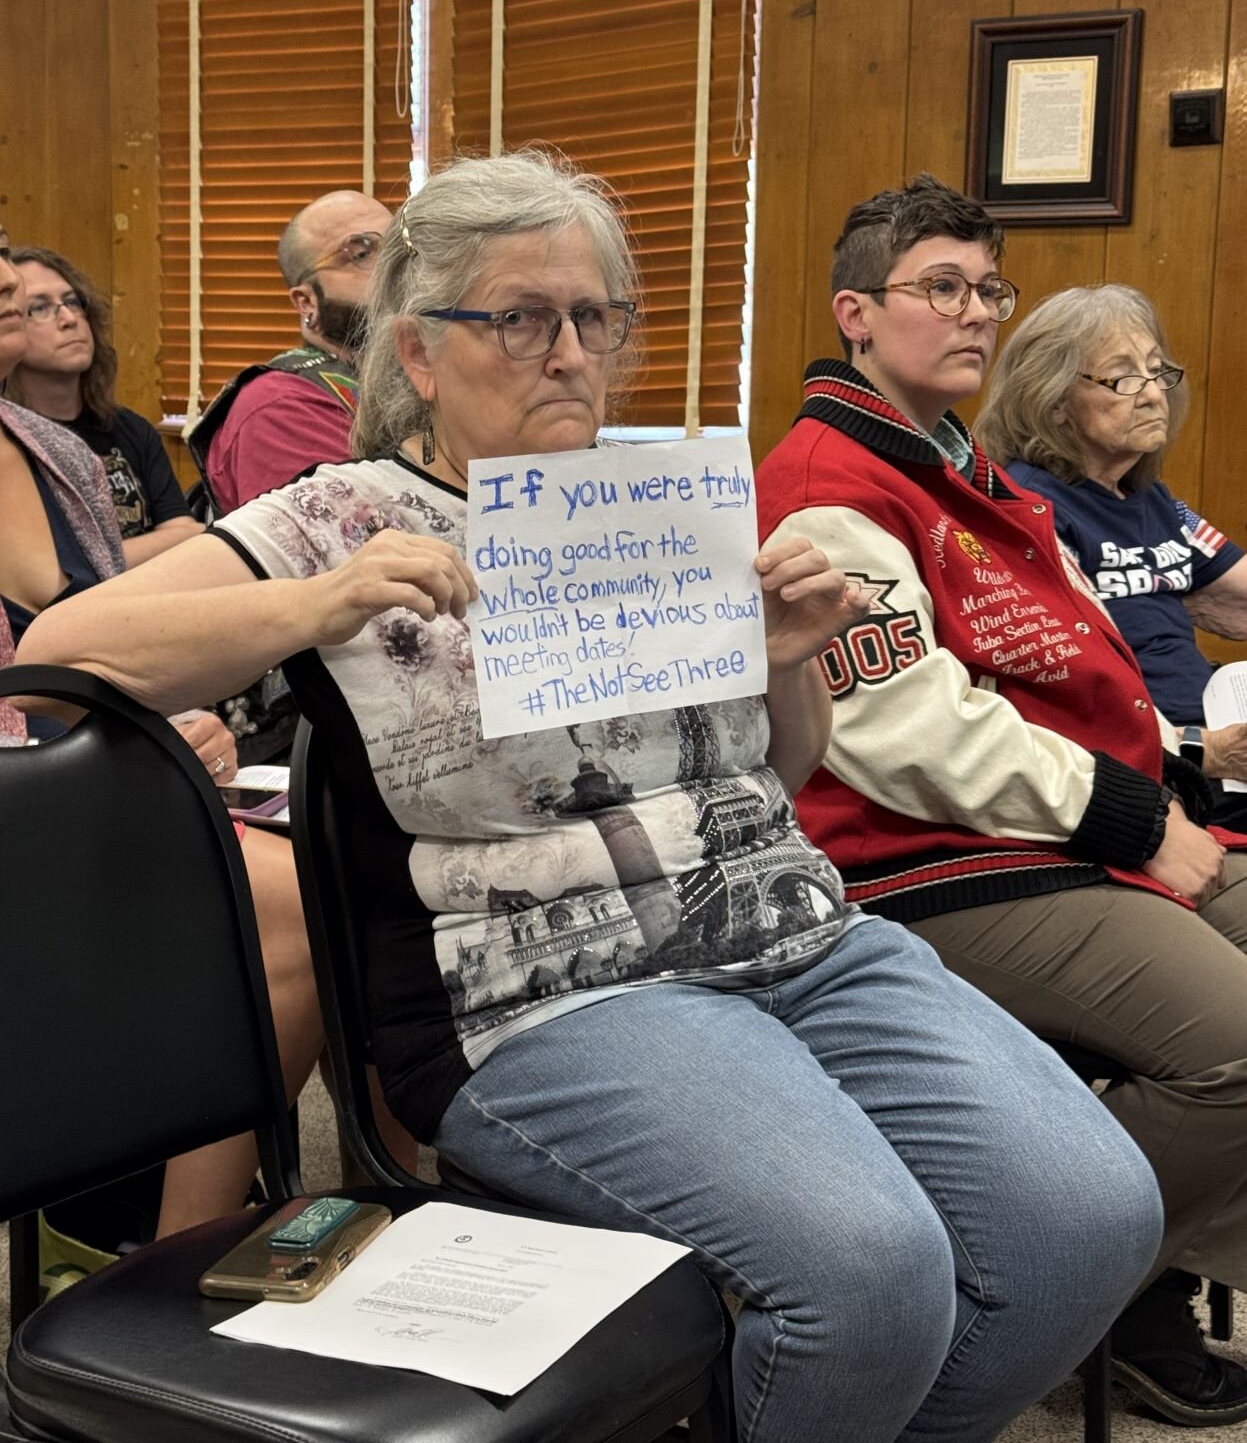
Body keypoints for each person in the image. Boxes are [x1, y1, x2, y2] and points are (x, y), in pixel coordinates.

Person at [21, 152, 1164, 1443]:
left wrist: (782, 661)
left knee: (1092, 1218)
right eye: (518, 316)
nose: (566, 351)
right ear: (419, 348)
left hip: (793, 932)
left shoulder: (650, 498)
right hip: (542, 983)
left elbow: (769, 777)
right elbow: (54, 659)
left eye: (594, 317)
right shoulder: (343, 513)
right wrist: (312, 604)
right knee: (864, 1270)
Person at [755, 172, 1247, 1427]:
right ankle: (1058, 1290)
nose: (972, 312)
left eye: (987, 289)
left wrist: (1171, 778)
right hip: (930, 866)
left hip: (1057, 828)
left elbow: (1068, 674)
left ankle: (1142, 1264)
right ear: (852, 313)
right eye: (939, 288)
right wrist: (1141, 821)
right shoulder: (832, 482)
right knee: (1236, 1048)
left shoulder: (960, 464)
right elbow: (906, 730)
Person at [0, 234, 322, 1236]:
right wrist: (125, 742)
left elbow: (71, 653)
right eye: (9, 294)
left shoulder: (53, 444)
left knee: (329, 873)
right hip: (32, 789)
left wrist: (158, 724)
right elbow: (50, 658)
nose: (20, 303)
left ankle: (171, 1218)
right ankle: (173, 1246)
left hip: (52, 766)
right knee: (284, 912)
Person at [976, 283, 1247, 826]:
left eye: (1156, 371)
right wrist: (1203, 749)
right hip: (1156, 773)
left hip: (1218, 747)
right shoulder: (1029, 507)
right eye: (1124, 377)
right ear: (1052, 403)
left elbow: (1238, 592)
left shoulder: (1152, 498)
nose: (1152, 394)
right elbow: (1063, 700)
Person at [188, 189, 392, 516]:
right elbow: (348, 550)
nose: (393, 268)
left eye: (398, 246)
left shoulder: (416, 375)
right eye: (362, 254)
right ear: (306, 302)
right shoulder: (279, 406)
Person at [2, 244, 202, 566]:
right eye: (39, 308)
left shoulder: (130, 428)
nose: (68, 319)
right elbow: (49, 574)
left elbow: (188, 532)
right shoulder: (10, 441)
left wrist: (97, 561)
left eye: (71, 302)